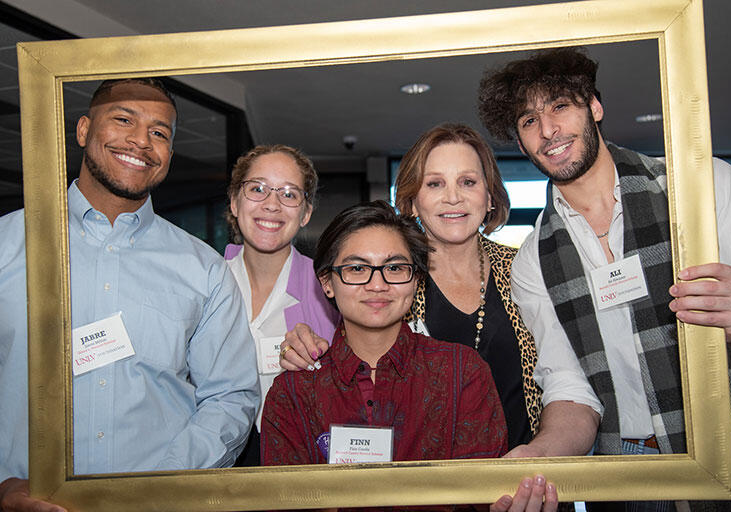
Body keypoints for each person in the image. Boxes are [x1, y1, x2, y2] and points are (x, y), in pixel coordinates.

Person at [477, 47, 731, 510]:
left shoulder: (701, 189)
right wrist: (538, 456)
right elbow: (572, 390)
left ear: (594, 106)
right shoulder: (532, 261)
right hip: (627, 471)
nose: (548, 130)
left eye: (559, 106)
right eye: (529, 121)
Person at [0, 78, 260, 511]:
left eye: (159, 133)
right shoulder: (8, 244)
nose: (141, 141)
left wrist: (167, 485)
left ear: (169, 155)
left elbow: (231, 396)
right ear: (84, 131)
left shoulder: (204, 269)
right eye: (124, 120)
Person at [280, 123, 599, 458]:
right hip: (428, 489)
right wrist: (302, 345)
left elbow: (570, 381)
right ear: (413, 201)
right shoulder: (389, 282)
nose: (453, 197)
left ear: (489, 197)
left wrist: (538, 457)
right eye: (435, 183)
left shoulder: (526, 270)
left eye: (468, 182)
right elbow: (342, 366)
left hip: (526, 481)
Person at [261, 200, 557, 511]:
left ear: (416, 280)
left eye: (395, 268)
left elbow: (479, 499)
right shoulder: (293, 394)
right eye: (357, 268)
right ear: (327, 283)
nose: (378, 284)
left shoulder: (462, 373)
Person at [224, 144, 339, 465]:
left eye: (289, 194)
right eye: (257, 189)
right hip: (213, 467)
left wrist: (323, 362)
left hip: (299, 465)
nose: (272, 204)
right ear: (234, 201)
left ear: (306, 213)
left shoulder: (333, 292)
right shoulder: (203, 284)